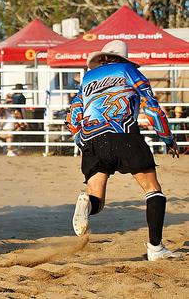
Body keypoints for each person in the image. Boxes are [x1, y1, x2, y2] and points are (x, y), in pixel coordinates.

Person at [66, 40, 180, 261]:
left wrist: (83, 140)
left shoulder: (88, 79)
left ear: (102, 59)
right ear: (123, 58)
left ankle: (86, 204)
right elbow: (152, 107)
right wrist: (167, 137)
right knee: (153, 189)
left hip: (93, 140)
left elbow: (72, 117)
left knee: (96, 198)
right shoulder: (128, 71)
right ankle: (156, 248)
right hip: (124, 135)